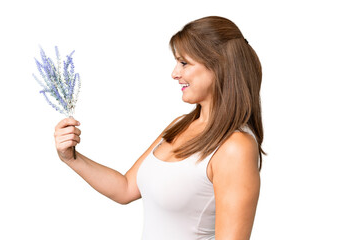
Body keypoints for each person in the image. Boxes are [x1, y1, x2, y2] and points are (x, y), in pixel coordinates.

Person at [54, 16, 266, 240]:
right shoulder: (179, 126)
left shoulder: (235, 148)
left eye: (184, 63)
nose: (175, 73)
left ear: (219, 65)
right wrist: (71, 157)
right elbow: (125, 188)